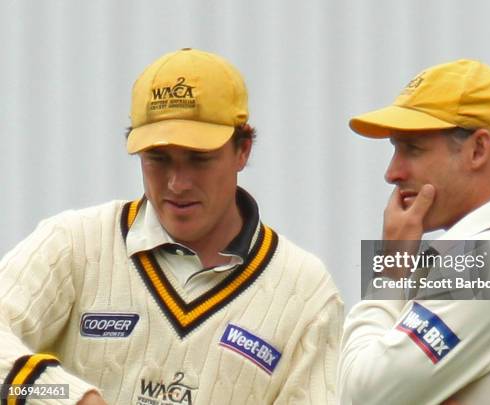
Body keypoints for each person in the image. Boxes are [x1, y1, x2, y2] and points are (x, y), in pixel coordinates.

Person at [0, 48, 343, 405]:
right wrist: (72, 399)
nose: (178, 183)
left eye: (200, 159)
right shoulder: (75, 244)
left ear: (243, 150)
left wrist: (396, 264)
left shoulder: (306, 291)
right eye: (158, 158)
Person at [338, 59, 490, 404]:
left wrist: (389, 272)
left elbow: (361, 394)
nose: (392, 172)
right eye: (395, 150)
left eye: (413, 149)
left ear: (478, 149)